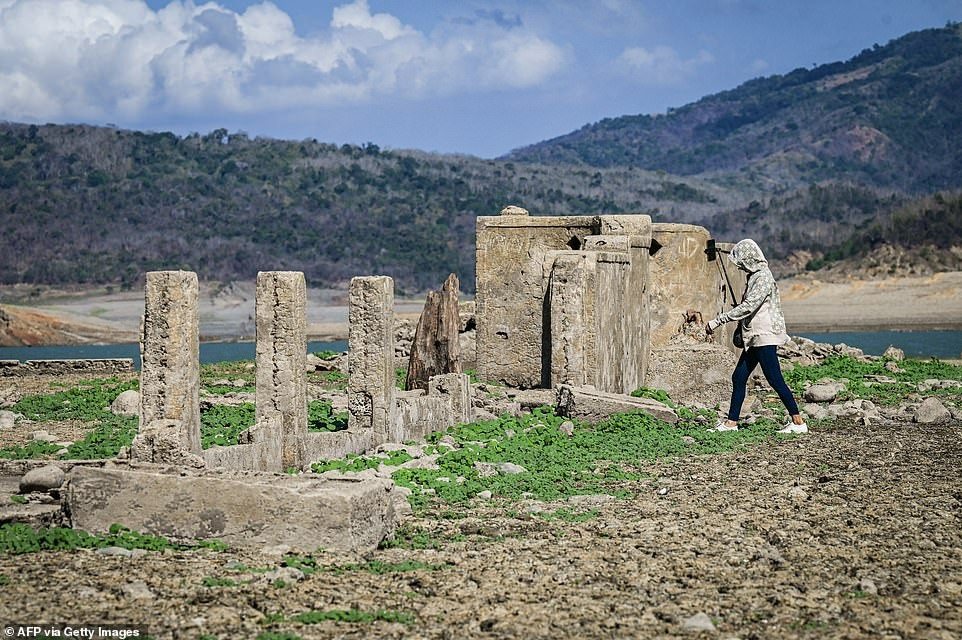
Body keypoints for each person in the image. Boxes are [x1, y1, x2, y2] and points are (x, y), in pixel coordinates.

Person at [705, 239, 807, 434]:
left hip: (763, 335)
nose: (740, 267)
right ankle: (731, 423)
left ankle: (798, 422)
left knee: (775, 379)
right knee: (739, 377)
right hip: (754, 336)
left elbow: (750, 305)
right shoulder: (754, 277)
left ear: (749, 259)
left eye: (741, 262)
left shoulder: (763, 277)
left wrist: (717, 321)